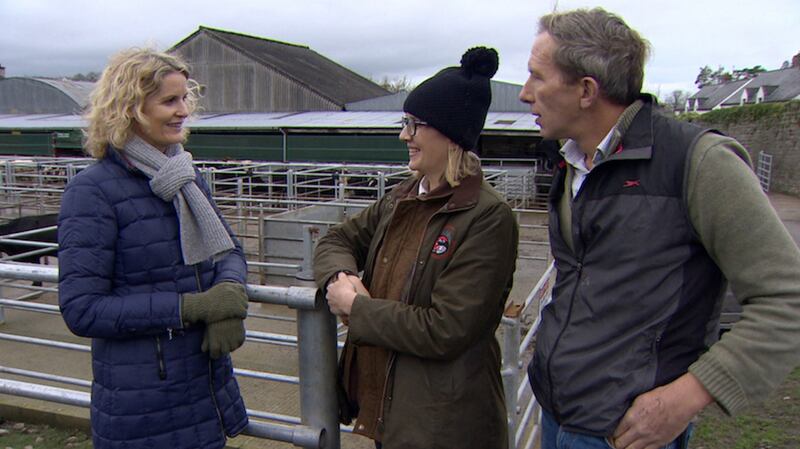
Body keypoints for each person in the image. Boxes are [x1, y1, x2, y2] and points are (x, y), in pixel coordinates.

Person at [518, 7, 800, 449]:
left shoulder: (699, 162)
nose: (523, 93)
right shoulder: (575, 163)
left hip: (626, 433)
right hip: (557, 414)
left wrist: (687, 396)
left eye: (537, 76)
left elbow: (788, 296)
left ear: (586, 90)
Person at [314, 47, 518, 449]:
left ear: (450, 133)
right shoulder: (404, 197)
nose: (403, 135)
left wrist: (357, 309)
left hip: (445, 428)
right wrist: (343, 277)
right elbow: (337, 238)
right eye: (404, 123)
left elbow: (446, 328)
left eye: (414, 124)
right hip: (397, 417)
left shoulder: (487, 217)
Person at [58, 48, 250, 449]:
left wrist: (228, 297)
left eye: (185, 99)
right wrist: (193, 308)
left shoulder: (185, 176)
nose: (183, 111)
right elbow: (83, 308)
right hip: (142, 408)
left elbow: (229, 250)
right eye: (169, 101)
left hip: (203, 390)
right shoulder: (92, 192)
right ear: (129, 108)